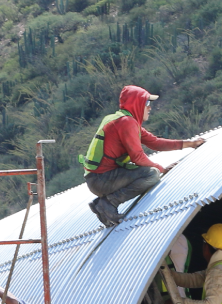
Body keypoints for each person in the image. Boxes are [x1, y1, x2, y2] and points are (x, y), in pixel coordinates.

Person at [81, 85, 206, 228]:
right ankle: (109, 203)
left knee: (152, 171)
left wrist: (190, 144)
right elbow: (138, 157)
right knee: (152, 174)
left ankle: (101, 205)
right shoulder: (126, 123)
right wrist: (162, 169)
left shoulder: (123, 120)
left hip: (98, 179)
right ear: (136, 103)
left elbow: (155, 143)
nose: (150, 107)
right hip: (102, 179)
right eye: (146, 102)